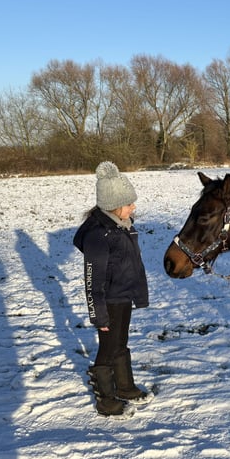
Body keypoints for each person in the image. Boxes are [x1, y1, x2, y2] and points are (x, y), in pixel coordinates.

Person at [73, 161, 150, 416]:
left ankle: (125, 387)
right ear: (114, 205)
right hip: (108, 302)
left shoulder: (121, 226)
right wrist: (99, 315)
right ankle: (106, 400)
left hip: (123, 297)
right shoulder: (99, 235)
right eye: (129, 203)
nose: (133, 207)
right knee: (107, 349)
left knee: (121, 343)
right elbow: (92, 281)